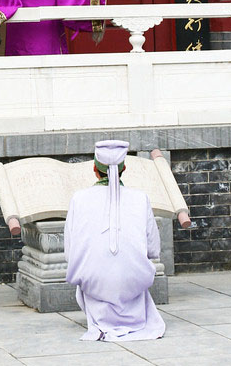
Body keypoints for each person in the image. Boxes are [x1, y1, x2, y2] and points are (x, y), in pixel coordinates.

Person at [64, 139, 166, 342]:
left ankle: (101, 319)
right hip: (132, 282)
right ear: (124, 168)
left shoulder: (79, 198)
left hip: (94, 282)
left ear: (94, 169)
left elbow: (70, 252)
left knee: (93, 268)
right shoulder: (140, 198)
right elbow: (153, 248)